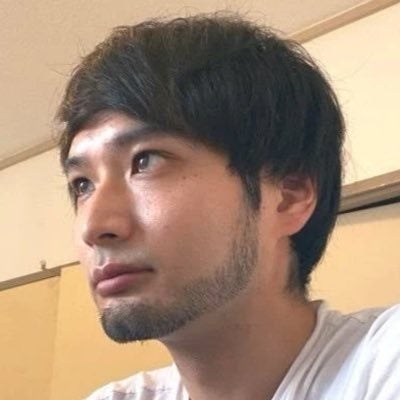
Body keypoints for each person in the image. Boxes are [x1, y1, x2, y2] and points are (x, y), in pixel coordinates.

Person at [57, 13, 400, 400]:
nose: (94, 227)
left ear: (288, 196)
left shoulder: (383, 364)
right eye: (82, 184)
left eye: (146, 161)